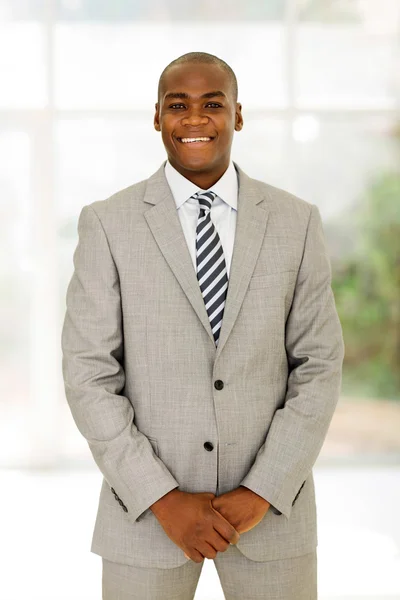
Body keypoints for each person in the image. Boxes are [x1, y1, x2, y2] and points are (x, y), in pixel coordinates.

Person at [61, 51, 345, 600]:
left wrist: (262, 489)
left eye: (212, 104)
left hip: (273, 516)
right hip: (143, 519)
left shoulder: (296, 221)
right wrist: (162, 498)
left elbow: (319, 365)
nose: (194, 119)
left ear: (238, 115)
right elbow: (88, 375)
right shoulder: (107, 223)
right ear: (157, 117)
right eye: (177, 106)